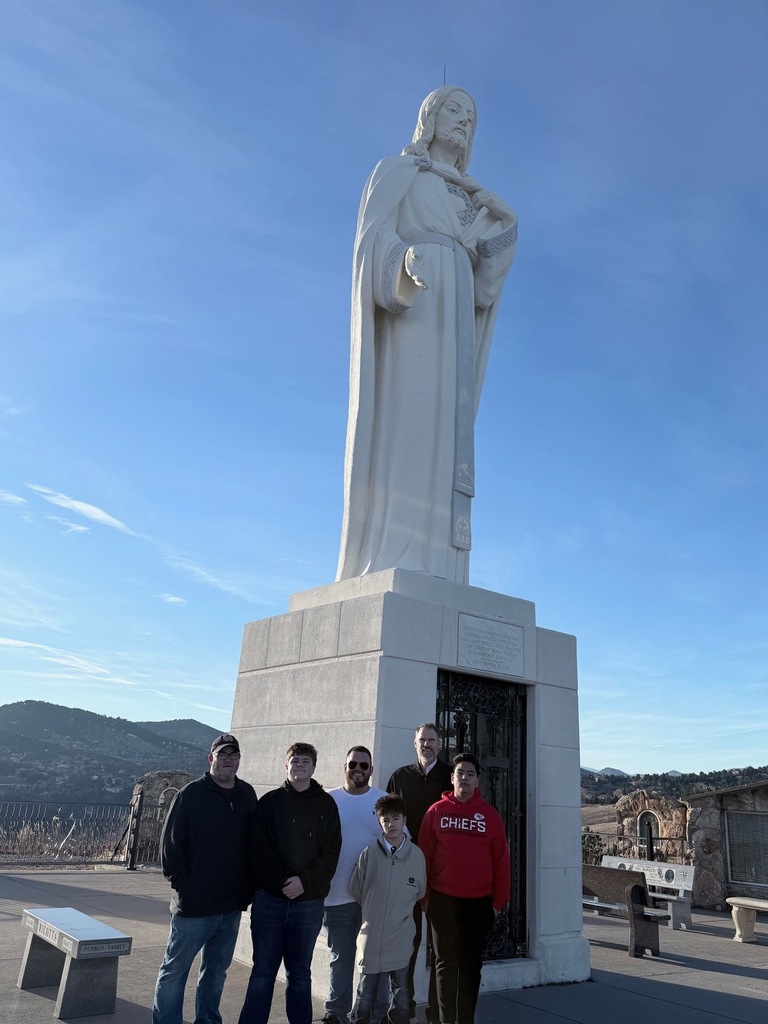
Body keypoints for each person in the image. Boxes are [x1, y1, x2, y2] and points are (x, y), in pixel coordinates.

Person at [337, 86, 517, 585]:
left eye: (472, 117)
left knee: (445, 428)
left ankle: (439, 564)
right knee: (409, 422)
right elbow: (373, 237)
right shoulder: (399, 173)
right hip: (413, 309)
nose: (463, 122)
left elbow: (483, 293)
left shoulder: (471, 202)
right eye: (454, 111)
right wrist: (403, 259)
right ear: (430, 119)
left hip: (455, 314)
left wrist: (507, 224)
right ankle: (394, 550)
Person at [152, 733, 257, 1024]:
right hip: (194, 908)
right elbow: (170, 849)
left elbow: (254, 845)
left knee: (215, 974)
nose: (228, 760)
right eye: (222, 754)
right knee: (175, 972)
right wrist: (186, 889)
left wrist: (245, 892)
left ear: (239, 760)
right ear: (211, 758)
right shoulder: (191, 795)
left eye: (233, 755)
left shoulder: (247, 795)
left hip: (230, 907)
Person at [239, 742, 341, 1024]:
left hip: (308, 904)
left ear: (314, 767)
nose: (300, 765)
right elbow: (257, 849)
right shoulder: (270, 802)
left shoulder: (326, 804)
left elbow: (331, 851)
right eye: (295, 760)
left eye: (306, 760)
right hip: (270, 901)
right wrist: (284, 881)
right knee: (263, 972)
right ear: (286, 766)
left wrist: (304, 882)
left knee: (299, 974)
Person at [419, 753, 510, 1024]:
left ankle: (466, 1020)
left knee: (471, 967)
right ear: (452, 777)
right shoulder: (435, 812)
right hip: (442, 901)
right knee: (445, 966)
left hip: (479, 903)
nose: (465, 778)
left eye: (470, 774)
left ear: (477, 779)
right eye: (460, 773)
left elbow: (501, 862)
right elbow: (423, 857)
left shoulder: (490, 816)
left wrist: (497, 903)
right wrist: (425, 899)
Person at [386, 723, 452, 1023]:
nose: (426, 744)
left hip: (441, 875)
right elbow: (386, 819)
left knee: (441, 947)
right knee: (406, 944)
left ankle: (439, 1011)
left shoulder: (451, 777)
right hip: (406, 873)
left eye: (432, 740)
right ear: (414, 744)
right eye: (421, 740)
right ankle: (404, 1006)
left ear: (440, 744)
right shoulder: (400, 777)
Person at [322, 746, 389, 1024]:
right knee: (341, 958)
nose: (358, 769)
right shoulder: (328, 800)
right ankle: (336, 1013)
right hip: (336, 896)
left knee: (374, 961)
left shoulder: (384, 800)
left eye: (364, 765)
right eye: (353, 765)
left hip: (374, 899)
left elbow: (401, 842)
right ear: (344, 768)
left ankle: (374, 1015)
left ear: (371, 770)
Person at [349, 795, 427, 1024]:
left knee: (401, 998)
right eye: (386, 819)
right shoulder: (369, 855)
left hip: (401, 939)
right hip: (371, 938)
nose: (391, 824)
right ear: (379, 822)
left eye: (396, 818)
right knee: (365, 996)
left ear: (404, 820)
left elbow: (420, 891)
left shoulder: (416, 856)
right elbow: (357, 890)